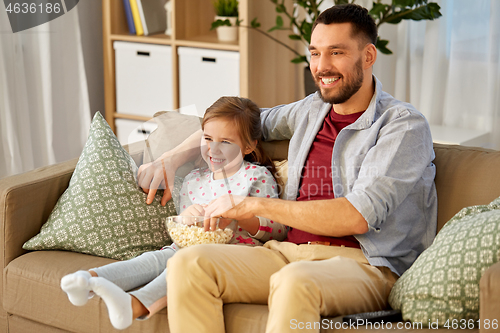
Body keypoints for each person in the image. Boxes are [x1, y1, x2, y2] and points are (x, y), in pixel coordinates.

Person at [139, 4, 437, 333]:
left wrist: (252, 204)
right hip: (285, 253)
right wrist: (174, 155)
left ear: (368, 56)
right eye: (315, 53)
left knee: (295, 281)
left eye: (336, 52)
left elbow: (357, 215)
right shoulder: (310, 109)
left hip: (366, 265)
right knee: (188, 263)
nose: (322, 66)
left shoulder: (402, 125)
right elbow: (237, 124)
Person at [60, 96, 288, 330]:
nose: (213, 149)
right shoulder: (192, 181)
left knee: (177, 265)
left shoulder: (256, 177)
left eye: (226, 142)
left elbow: (278, 230)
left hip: (235, 254)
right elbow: (182, 231)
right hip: (187, 248)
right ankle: (89, 280)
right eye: (208, 139)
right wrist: (187, 217)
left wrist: (241, 215)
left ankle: (134, 303)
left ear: (249, 146)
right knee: (154, 259)